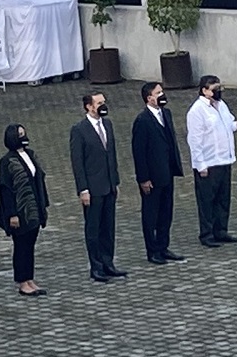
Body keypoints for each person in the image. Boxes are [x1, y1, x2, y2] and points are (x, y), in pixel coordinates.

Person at [69, 91, 125, 282]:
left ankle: (108, 262)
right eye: (99, 103)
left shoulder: (107, 124)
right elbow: (78, 162)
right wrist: (83, 189)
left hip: (108, 186)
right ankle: (96, 266)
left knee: (108, 227)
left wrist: (115, 181)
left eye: (103, 102)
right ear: (89, 106)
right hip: (92, 189)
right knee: (93, 228)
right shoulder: (79, 130)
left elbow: (112, 155)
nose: (103, 105)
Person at [185, 75, 237, 248]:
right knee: (207, 200)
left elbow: (227, 125)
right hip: (208, 163)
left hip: (224, 159)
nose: (218, 92)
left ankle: (221, 230)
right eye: (214, 89)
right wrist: (200, 164)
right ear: (204, 91)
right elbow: (194, 140)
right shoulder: (197, 111)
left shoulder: (222, 105)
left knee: (223, 198)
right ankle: (207, 233)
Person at [131, 81, 185, 264]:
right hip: (152, 177)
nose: (162, 95)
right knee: (151, 214)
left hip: (167, 172)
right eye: (158, 92)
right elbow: (139, 152)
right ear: (149, 98)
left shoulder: (166, 114)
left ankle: (163, 246)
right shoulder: (142, 121)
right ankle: (152, 250)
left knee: (166, 211)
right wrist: (143, 178)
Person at [0, 123, 49, 296]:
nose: (23, 137)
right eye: (19, 134)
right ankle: (22, 281)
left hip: (33, 208)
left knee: (30, 245)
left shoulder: (30, 155)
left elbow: (38, 179)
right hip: (19, 210)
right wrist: (12, 213)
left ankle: (29, 278)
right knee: (21, 246)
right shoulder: (7, 161)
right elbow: (6, 189)